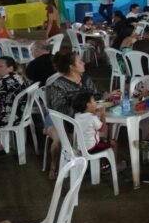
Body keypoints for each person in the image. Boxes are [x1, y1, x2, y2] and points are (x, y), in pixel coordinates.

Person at [46, 51, 114, 179]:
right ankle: (54, 166)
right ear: (71, 67)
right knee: (59, 140)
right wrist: (85, 111)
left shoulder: (85, 79)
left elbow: (96, 96)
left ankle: (100, 162)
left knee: (100, 126)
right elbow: (59, 108)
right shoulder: (58, 84)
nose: (83, 63)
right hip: (64, 120)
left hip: (84, 118)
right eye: (80, 62)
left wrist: (107, 96)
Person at [71, 91, 125, 171]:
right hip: (92, 148)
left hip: (81, 147)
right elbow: (103, 129)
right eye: (93, 100)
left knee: (104, 141)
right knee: (113, 143)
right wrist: (103, 115)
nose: (95, 102)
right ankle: (115, 166)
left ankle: (103, 164)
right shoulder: (92, 118)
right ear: (87, 105)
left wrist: (94, 113)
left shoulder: (77, 115)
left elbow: (87, 120)